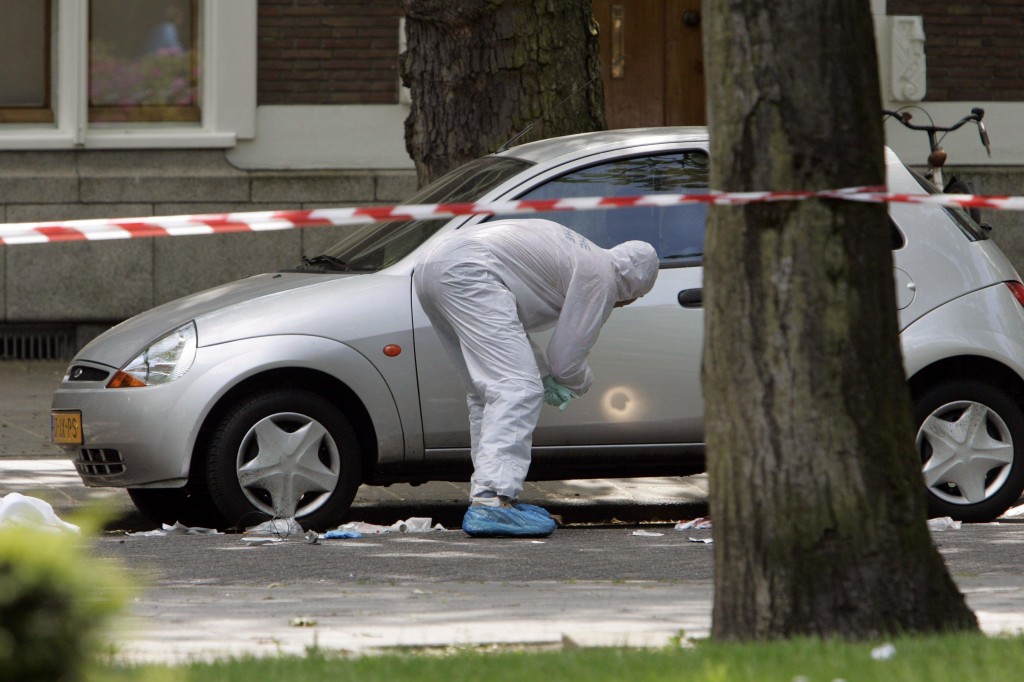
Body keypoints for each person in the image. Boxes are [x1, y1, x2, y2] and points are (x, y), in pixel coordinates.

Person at [414, 218, 660, 537]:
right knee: (517, 388)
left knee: (485, 391)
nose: (625, 304)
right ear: (635, 285)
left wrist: (544, 375)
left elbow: (511, 330)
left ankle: (494, 496)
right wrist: (579, 383)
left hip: (434, 263)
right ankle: (492, 501)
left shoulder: (580, 252)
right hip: (469, 269)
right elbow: (566, 359)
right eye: (633, 298)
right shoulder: (602, 275)